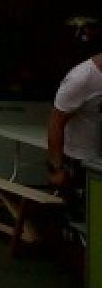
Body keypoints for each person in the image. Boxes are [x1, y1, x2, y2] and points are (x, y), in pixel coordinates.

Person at [46, 52, 102, 219]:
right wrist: (56, 167)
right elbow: (56, 122)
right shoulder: (82, 78)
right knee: (78, 218)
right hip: (78, 159)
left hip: (98, 158)